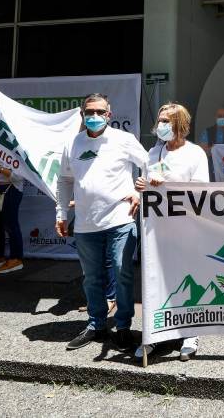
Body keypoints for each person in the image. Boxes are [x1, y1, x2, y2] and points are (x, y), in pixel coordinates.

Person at [55, 93, 148, 351]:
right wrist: (61, 213)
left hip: (120, 219)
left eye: (100, 112)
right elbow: (64, 180)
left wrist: (139, 192)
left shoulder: (123, 139)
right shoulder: (73, 143)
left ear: (109, 114)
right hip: (85, 223)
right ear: (82, 114)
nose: (94, 116)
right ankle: (96, 325)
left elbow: (150, 165)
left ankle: (124, 327)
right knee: (92, 278)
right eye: (89, 112)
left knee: (122, 273)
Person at [134, 102, 209, 362]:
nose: (161, 125)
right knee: (157, 279)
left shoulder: (195, 153)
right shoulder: (152, 153)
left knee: (188, 280)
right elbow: (146, 189)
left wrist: (166, 184)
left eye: (166, 121)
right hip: (156, 230)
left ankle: (190, 334)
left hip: (187, 229)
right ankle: (155, 334)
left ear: (180, 124)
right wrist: (141, 186)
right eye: (160, 120)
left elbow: (201, 191)